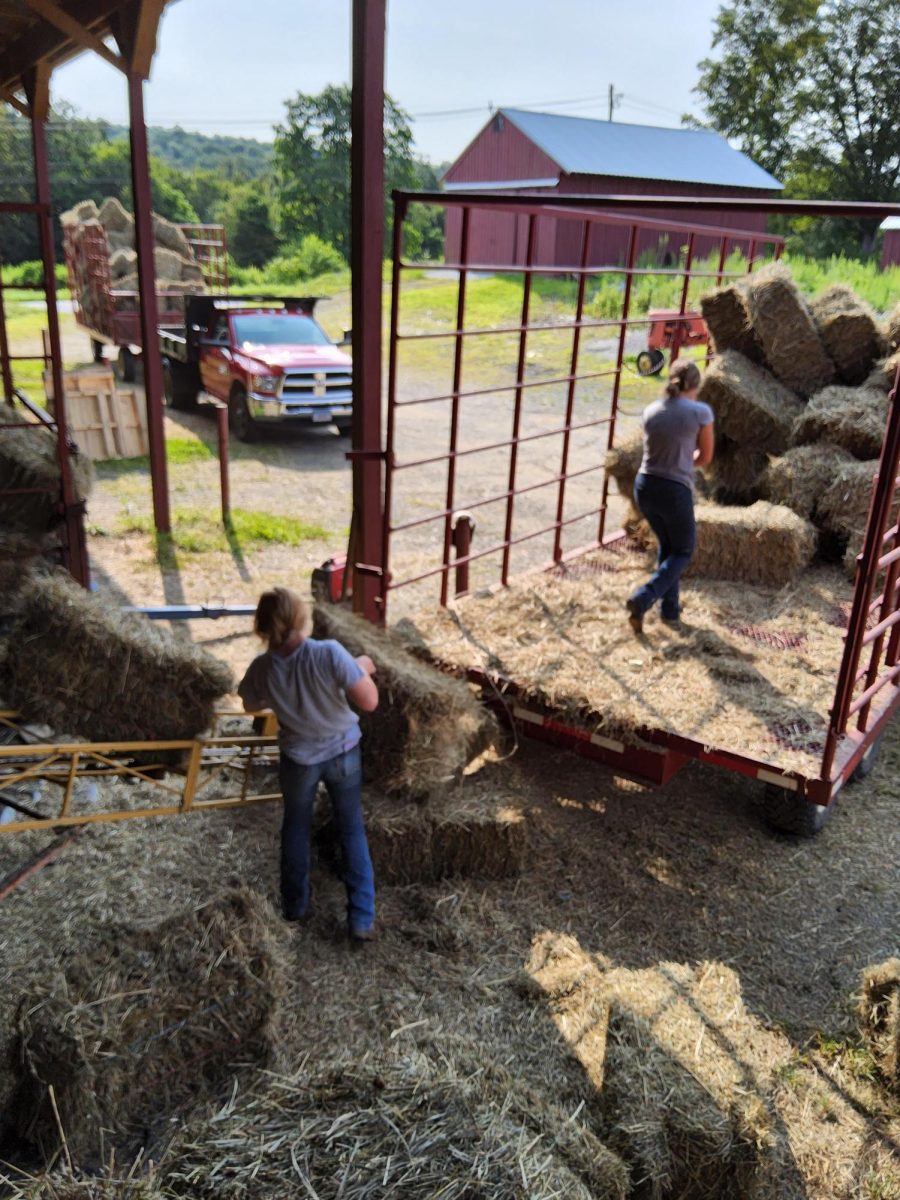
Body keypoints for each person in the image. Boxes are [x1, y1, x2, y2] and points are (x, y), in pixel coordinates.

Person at [237, 586, 379, 940]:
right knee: (350, 829)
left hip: (299, 758)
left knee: (296, 827)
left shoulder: (263, 667)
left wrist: (280, 695)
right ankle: (361, 918)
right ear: (300, 618)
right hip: (343, 751)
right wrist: (360, 667)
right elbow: (370, 701)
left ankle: (295, 907)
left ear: (263, 626)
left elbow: (249, 705)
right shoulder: (329, 653)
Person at [625, 357, 714, 635]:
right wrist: (686, 461)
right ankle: (643, 598)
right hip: (674, 490)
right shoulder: (700, 412)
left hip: (644, 487)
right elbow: (706, 456)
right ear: (696, 385)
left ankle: (670, 609)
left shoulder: (651, 410)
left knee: (668, 545)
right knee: (684, 550)